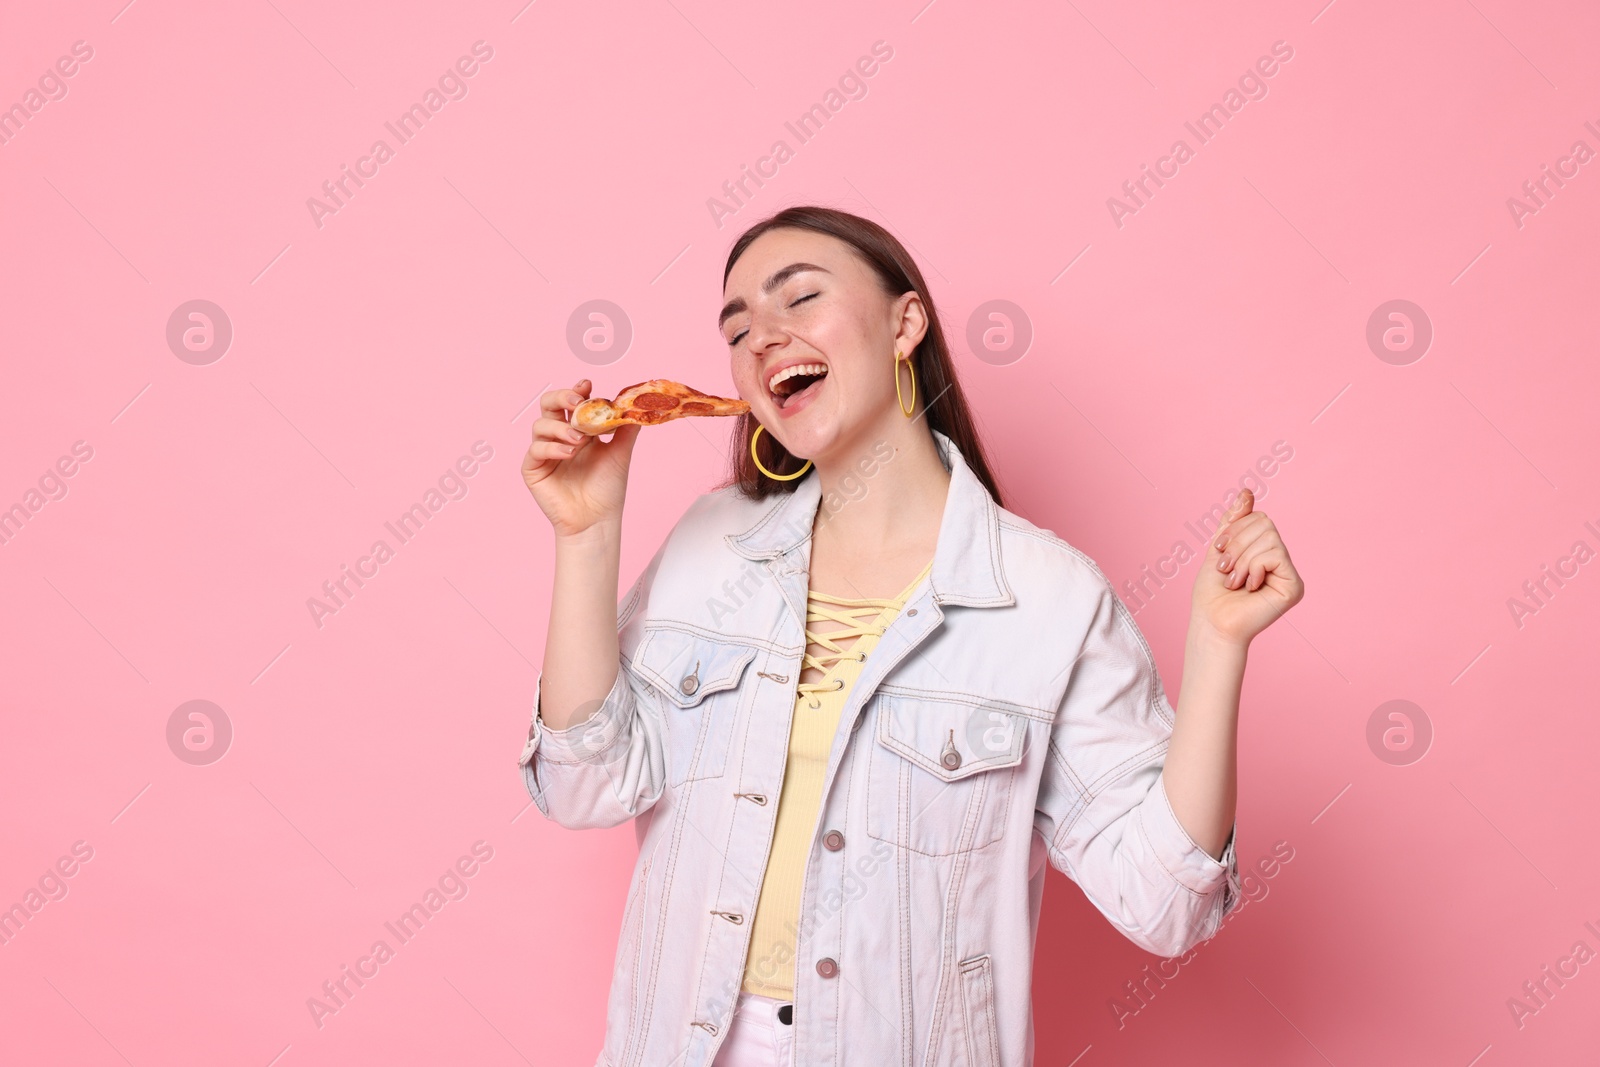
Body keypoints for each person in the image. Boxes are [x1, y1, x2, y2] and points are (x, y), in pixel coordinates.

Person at [518, 206, 1305, 1067]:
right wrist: (586, 537)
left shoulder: (1044, 598)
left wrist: (1219, 647)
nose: (762, 339)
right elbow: (582, 785)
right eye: (737, 327)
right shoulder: (711, 548)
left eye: (799, 299)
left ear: (905, 322)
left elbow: (1166, 904)